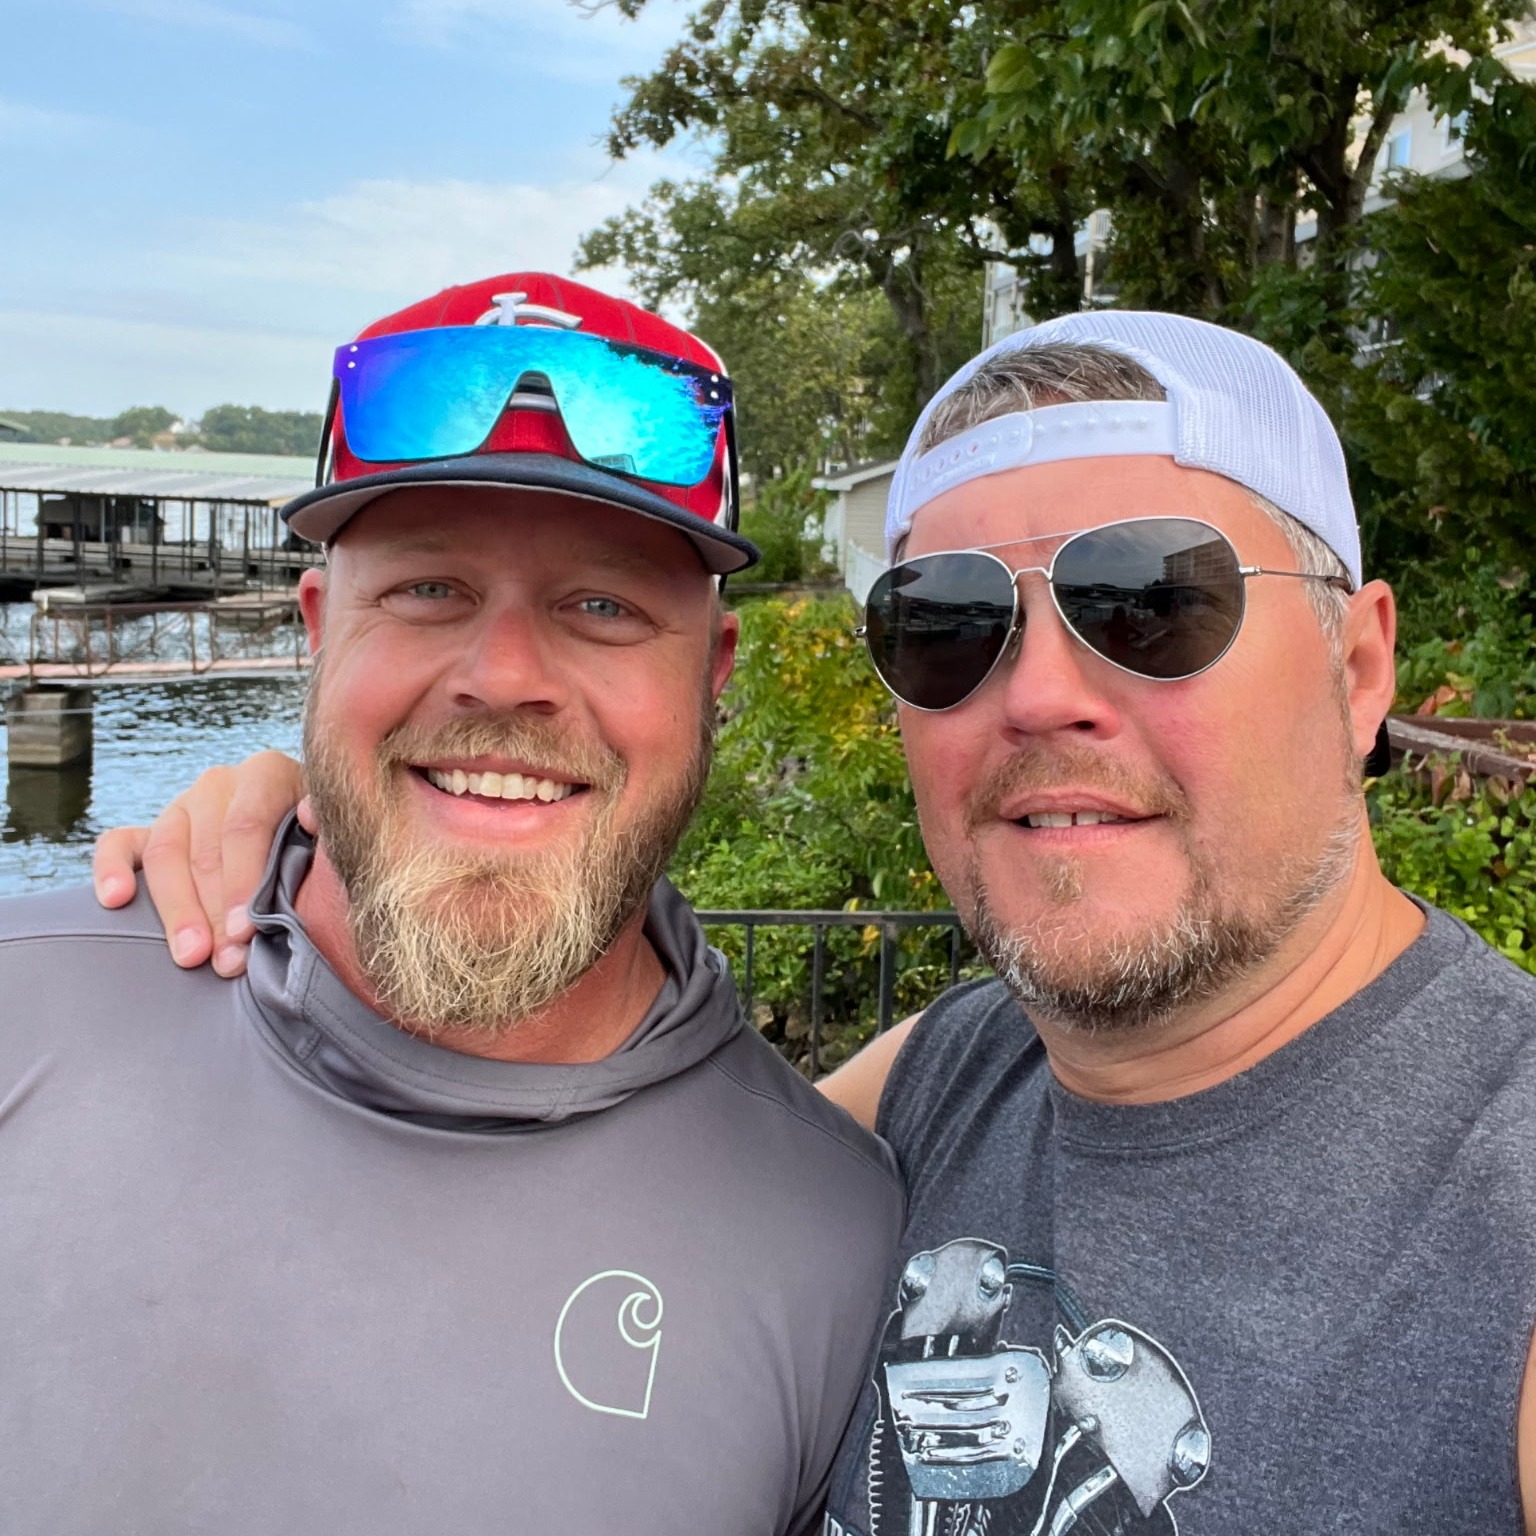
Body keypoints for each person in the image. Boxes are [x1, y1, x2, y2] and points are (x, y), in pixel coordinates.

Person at [98, 312, 1536, 1534]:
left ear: (1357, 670)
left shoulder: (1501, 1205)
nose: (1038, 694)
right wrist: (341, 822)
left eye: (1149, 602)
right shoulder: (943, 1086)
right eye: (947, 623)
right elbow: (589, 1172)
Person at [0, 271, 903, 1535]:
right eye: (429, 590)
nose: (503, 677)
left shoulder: (843, 1245)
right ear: (321, 632)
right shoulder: (24, 1005)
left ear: (714, 677)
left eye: (602, 604)